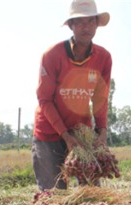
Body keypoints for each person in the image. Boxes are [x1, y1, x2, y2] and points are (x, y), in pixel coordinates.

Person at [32, 0, 112, 191]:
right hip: (50, 132)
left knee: (91, 192)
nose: (87, 27)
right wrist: (65, 135)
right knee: (54, 195)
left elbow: (100, 98)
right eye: (81, 22)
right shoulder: (53, 55)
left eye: (91, 22)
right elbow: (45, 100)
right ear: (71, 25)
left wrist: (101, 131)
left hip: (81, 132)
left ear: (96, 24)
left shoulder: (103, 57)